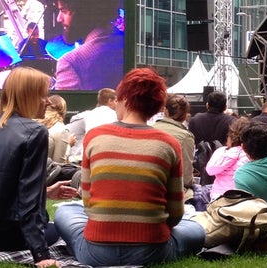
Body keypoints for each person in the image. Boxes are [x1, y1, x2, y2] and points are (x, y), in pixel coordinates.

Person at [54, 68, 205, 266]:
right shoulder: (169, 144)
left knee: (64, 213)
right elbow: (175, 213)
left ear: (124, 99)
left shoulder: (95, 136)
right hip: (153, 251)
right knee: (196, 230)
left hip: (95, 252)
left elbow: (89, 203)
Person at [0, 67, 60, 268]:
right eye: (44, 96)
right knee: (60, 229)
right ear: (29, 95)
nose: (48, 102)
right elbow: (28, 197)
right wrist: (41, 254)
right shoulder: (36, 132)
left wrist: (46, 192)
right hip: (6, 234)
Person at [55, 0, 124, 90]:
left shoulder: (70, 63)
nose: (58, 18)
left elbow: (64, 103)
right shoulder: (125, 42)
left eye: (64, 11)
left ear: (84, 12)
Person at [153, 94, 195, 193]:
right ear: (185, 115)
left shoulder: (150, 129)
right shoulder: (185, 137)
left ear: (165, 111)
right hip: (171, 191)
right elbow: (185, 177)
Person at [66, 88, 117, 164]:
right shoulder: (115, 116)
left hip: (85, 161)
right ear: (110, 101)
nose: (118, 104)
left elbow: (70, 126)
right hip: (104, 161)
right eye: (116, 101)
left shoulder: (86, 115)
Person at [206, 117, 251, 200]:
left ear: (231, 136)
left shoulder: (220, 152)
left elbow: (210, 170)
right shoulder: (250, 154)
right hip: (243, 197)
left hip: (218, 196)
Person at [36, 95, 72, 163]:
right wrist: (69, 146)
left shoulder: (33, 121)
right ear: (63, 111)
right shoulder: (61, 130)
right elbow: (59, 163)